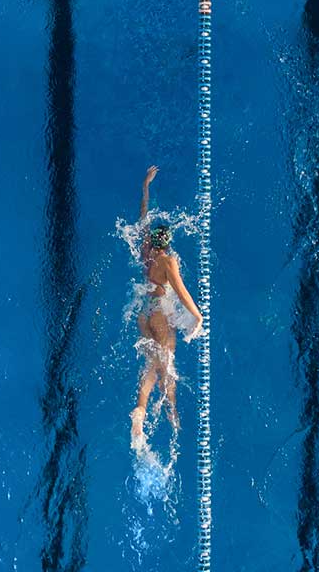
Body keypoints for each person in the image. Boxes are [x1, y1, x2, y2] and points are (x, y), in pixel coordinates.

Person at [130, 165, 204, 453]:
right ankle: (169, 410)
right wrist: (197, 317)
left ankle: (140, 411)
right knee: (166, 365)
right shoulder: (168, 261)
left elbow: (142, 215)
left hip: (143, 313)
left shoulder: (144, 248)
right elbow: (182, 293)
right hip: (160, 315)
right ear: (167, 243)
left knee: (152, 363)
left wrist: (146, 186)